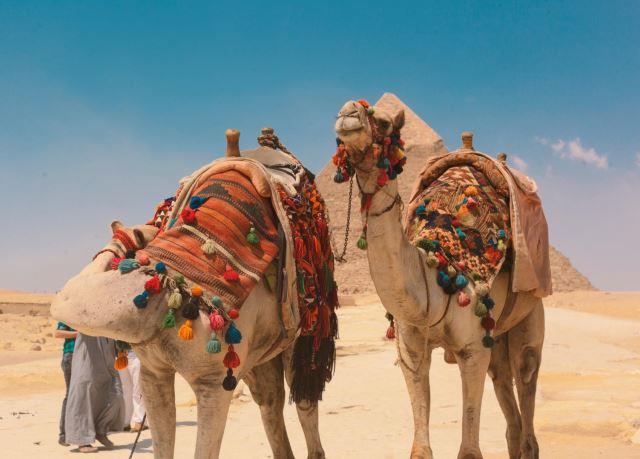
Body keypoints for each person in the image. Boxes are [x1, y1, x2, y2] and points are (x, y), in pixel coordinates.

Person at [64, 334, 125, 453]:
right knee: (84, 397)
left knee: (116, 395)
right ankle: (82, 440)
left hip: (108, 358)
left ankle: (100, 430)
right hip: (88, 357)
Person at [55, 322, 77, 447]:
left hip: (84, 357)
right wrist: (78, 335)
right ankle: (64, 435)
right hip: (71, 355)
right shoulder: (68, 316)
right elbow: (58, 333)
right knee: (70, 396)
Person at [117, 348, 147, 432]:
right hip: (120, 355)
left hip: (135, 354)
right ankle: (126, 422)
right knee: (125, 391)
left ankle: (139, 421)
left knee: (138, 390)